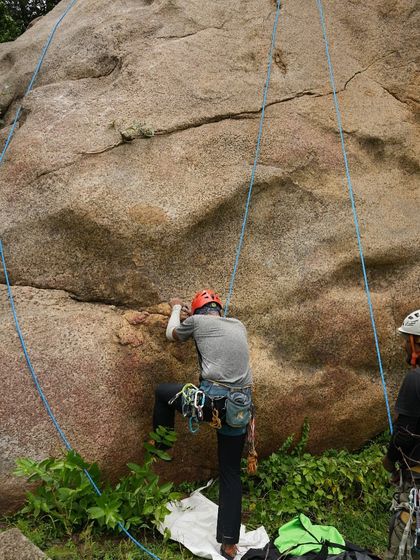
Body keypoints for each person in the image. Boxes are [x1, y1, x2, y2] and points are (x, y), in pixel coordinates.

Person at [152, 289, 253, 560]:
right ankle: (229, 544)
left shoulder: (196, 322)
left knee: (163, 392)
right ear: (219, 310)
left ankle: (162, 447)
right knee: (231, 472)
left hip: (211, 404)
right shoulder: (238, 324)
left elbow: (172, 334)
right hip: (240, 407)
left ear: (196, 312)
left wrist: (176, 309)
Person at [383, 309, 420, 560]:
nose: (403, 348)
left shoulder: (414, 380)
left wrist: (390, 460)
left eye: (405, 340)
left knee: (405, 532)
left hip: (416, 474)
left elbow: (405, 433)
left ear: (415, 342)